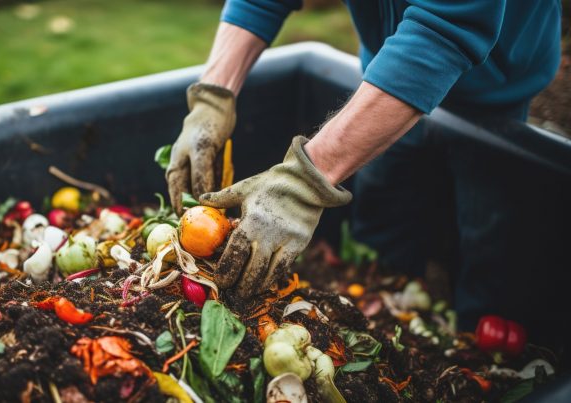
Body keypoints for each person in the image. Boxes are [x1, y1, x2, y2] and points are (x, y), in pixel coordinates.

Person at [165, 0, 564, 343]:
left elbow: (446, 27)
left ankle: (474, 351)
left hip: (493, 89)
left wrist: (305, 180)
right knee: (379, 241)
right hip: (384, 80)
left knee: (491, 248)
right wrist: (213, 96)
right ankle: (396, 324)